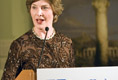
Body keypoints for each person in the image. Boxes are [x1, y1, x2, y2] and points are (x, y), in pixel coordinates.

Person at [1, 0, 75, 79]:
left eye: (44, 8)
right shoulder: (19, 45)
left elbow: (72, 77)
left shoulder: (66, 43)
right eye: (34, 7)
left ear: (54, 11)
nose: (38, 13)